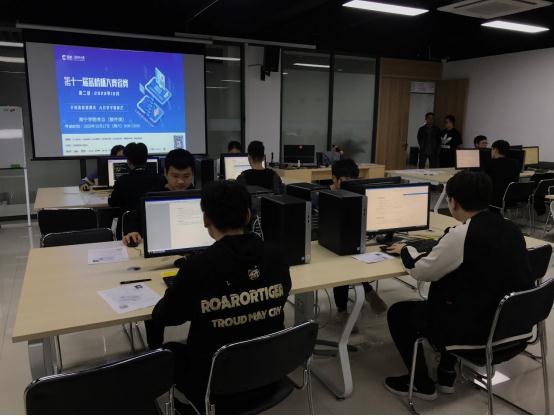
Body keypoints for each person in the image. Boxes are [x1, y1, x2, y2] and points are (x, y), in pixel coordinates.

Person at [383, 171, 531, 400]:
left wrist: (405, 249)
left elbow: (422, 271)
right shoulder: (510, 227)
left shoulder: (462, 235)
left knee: (399, 313)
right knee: (460, 291)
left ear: (452, 202)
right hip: (513, 327)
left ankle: (421, 384)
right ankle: (446, 373)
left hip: (476, 332)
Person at [146, 180, 292, 411]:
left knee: (167, 352)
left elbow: (164, 316)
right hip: (269, 373)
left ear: (206, 219)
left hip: (214, 386)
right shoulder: (277, 256)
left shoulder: (198, 267)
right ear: (248, 216)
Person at [331, 159, 388, 328]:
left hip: (355, 241)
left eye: (353, 181)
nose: (350, 186)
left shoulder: (358, 196)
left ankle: (366, 292)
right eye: (345, 181)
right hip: (330, 245)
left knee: (354, 257)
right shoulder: (325, 195)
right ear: (334, 179)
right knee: (342, 265)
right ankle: (343, 309)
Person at [122, 148, 196, 246]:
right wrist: (132, 231)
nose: (180, 181)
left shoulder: (199, 196)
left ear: (193, 174)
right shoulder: (153, 195)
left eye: (186, 176)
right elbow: (133, 217)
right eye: (175, 176)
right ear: (165, 173)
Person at [108, 142, 164, 238]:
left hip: (129, 230)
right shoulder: (160, 179)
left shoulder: (122, 180)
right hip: (154, 227)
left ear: (129, 162)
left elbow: (113, 203)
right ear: (146, 160)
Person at [486, 139, 520, 209]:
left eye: (491, 149)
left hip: (495, 199)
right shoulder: (515, 163)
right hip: (511, 198)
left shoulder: (491, 163)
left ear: (495, 150)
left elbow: (484, 180)